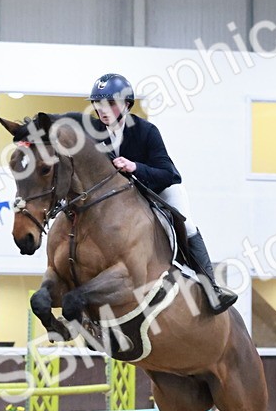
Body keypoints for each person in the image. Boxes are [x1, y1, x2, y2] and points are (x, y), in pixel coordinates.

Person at [87, 73, 238, 314]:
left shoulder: (146, 131)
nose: (102, 109)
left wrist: (135, 167)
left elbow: (169, 174)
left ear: (126, 104)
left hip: (161, 190)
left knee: (187, 226)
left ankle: (212, 289)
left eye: (110, 103)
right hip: (126, 197)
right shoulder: (94, 132)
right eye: (98, 103)